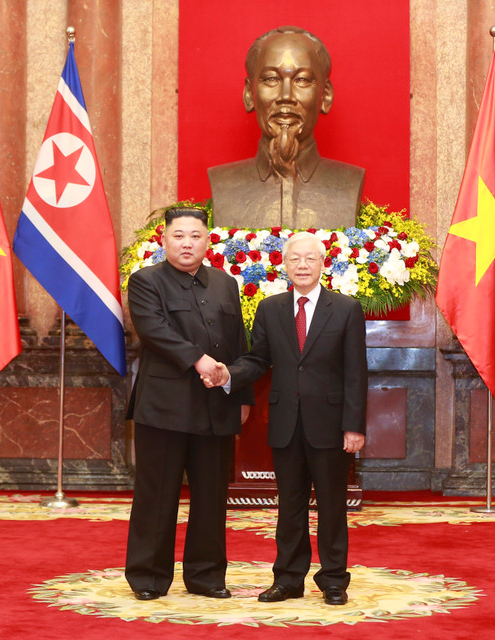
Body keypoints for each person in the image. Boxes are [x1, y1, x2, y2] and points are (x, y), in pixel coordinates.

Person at [206, 231, 367, 605]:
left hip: (330, 424)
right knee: (289, 506)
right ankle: (289, 579)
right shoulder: (271, 308)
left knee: (331, 505)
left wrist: (354, 426)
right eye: (295, 259)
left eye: (310, 259)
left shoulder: (345, 309)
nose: (303, 265)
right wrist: (229, 374)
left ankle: (333, 580)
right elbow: (258, 359)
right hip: (285, 422)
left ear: (323, 264)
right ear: (284, 264)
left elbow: (356, 371)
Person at [124, 206, 252, 601]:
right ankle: (148, 576)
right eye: (178, 235)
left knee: (212, 498)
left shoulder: (226, 284)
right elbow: (155, 331)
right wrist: (200, 360)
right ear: (164, 239)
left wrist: (241, 394)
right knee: (157, 495)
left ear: (207, 240)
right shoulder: (145, 281)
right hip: (164, 408)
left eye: (195, 235)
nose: (186, 243)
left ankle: (207, 576)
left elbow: (237, 342)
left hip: (216, 407)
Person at [208, 25, 364, 230]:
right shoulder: (223, 183)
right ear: (249, 94)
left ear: (325, 95)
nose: (286, 96)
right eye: (271, 79)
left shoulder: (349, 183)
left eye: (302, 80)